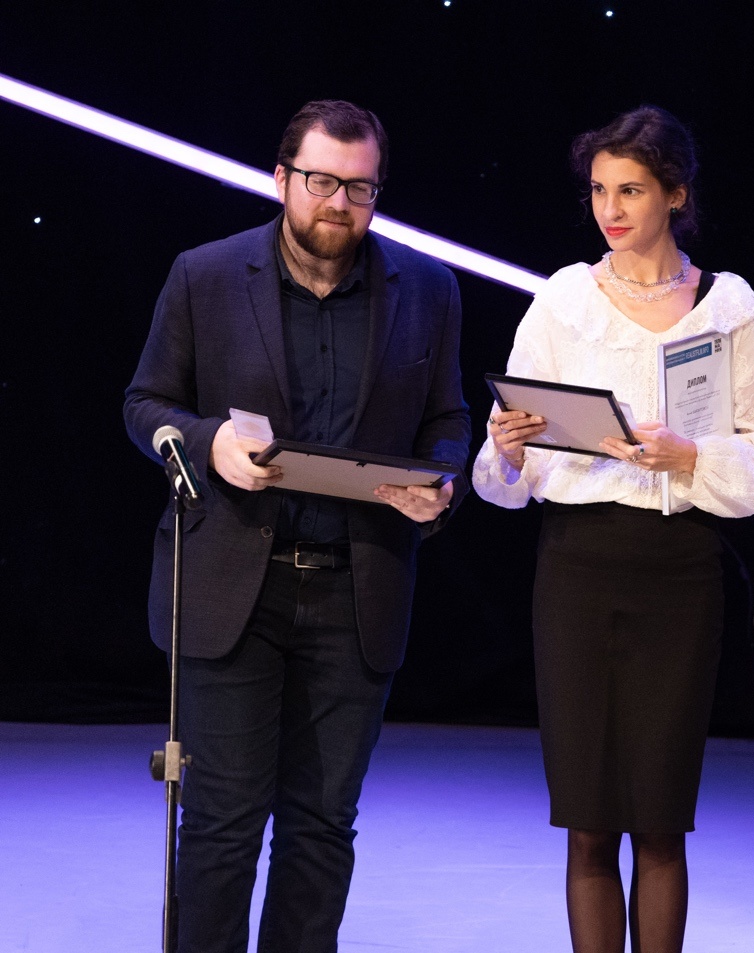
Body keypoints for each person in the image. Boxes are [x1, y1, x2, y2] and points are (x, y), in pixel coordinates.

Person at [123, 100, 471, 952]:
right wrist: (209, 442)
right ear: (282, 180)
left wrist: (440, 482)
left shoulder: (428, 288)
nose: (339, 202)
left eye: (360, 187)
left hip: (358, 587)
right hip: (232, 585)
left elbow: (448, 420)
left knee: (321, 826)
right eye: (321, 181)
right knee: (222, 820)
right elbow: (145, 403)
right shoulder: (206, 275)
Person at [472, 105, 754, 953]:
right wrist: (507, 447)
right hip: (578, 567)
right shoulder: (564, 300)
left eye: (632, 191)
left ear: (676, 194)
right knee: (587, 819)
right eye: (599, 191)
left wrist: (689, 456)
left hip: (678, 570)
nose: (610, 209)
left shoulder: (728, 310)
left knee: (659, 818)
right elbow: (507, 471)